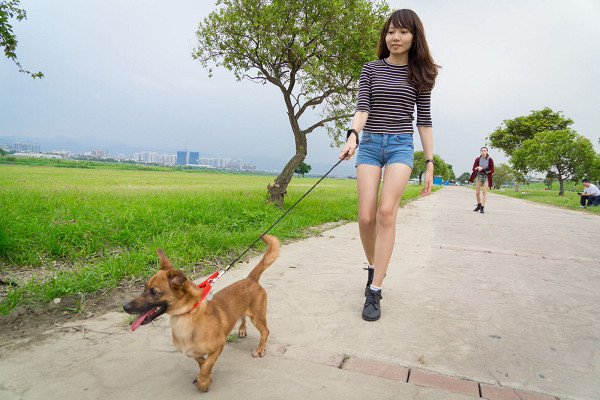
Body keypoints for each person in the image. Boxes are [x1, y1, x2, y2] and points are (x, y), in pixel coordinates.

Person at [339, 9, 439, 321]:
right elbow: (363, 106)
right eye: (390, 32)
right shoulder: (370, 69)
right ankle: (373, 266)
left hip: (400, 145)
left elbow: (424, 120)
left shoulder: (421, 74)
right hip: (369, 144)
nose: (395, 38)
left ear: (414, 36)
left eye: (403, 32)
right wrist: (353, 135)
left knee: (386, 213)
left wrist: (430, 162)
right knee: (366, 216)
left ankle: (375, 291)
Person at [468, 147, 494, 214]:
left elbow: (492, 170)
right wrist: (478, 168)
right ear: (480, 152)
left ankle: (482, 207)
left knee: (484, 192)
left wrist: (485, 171)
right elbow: (474, 168)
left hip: (486, 176)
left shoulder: (490, 159)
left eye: (484, 151)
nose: (483, 152)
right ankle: (479, 205)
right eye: (482, 151)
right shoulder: (478, 159)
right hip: (479, 175)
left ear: (487, 152)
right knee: (477, 192)